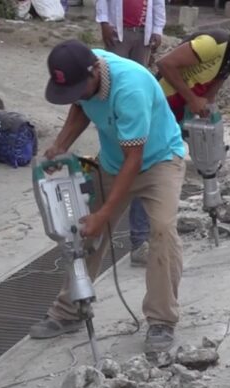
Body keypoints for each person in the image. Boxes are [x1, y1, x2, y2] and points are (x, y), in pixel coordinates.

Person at [29, 40, 187, 353]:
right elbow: (80, 106)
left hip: (158, 161)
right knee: (82, 230)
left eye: (78, 88)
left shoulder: (131, 88)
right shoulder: (85, 68)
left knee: (162, 231)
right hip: (115, 160)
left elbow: (135, 160)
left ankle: (161, 321)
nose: (75, 95)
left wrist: (105, 216)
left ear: (94, 75)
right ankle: (71, 310)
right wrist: (61, 145)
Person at [128, 25, 230, 250]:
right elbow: (165, 64)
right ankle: (140, 241)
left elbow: (210, 92)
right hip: (157, 108)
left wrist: (206, 117)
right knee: (149, 169)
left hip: (177, 115)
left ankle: (154, 231)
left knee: (165, 170)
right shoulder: (213, 43)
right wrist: (191, 98)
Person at [96, 0, 166, 267]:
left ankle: (131, 126)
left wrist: (157, 28)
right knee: (112, 77)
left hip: (142, 31)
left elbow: (157, 3)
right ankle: (114, 125)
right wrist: (104, 22)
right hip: (119, 29)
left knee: (138, 79)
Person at [96, 0, 166, 66]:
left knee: (139, 71)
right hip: (117, 32)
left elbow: (158, 4)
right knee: (115, 68)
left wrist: (157, 30)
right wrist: (104, 22)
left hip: (143, 33)